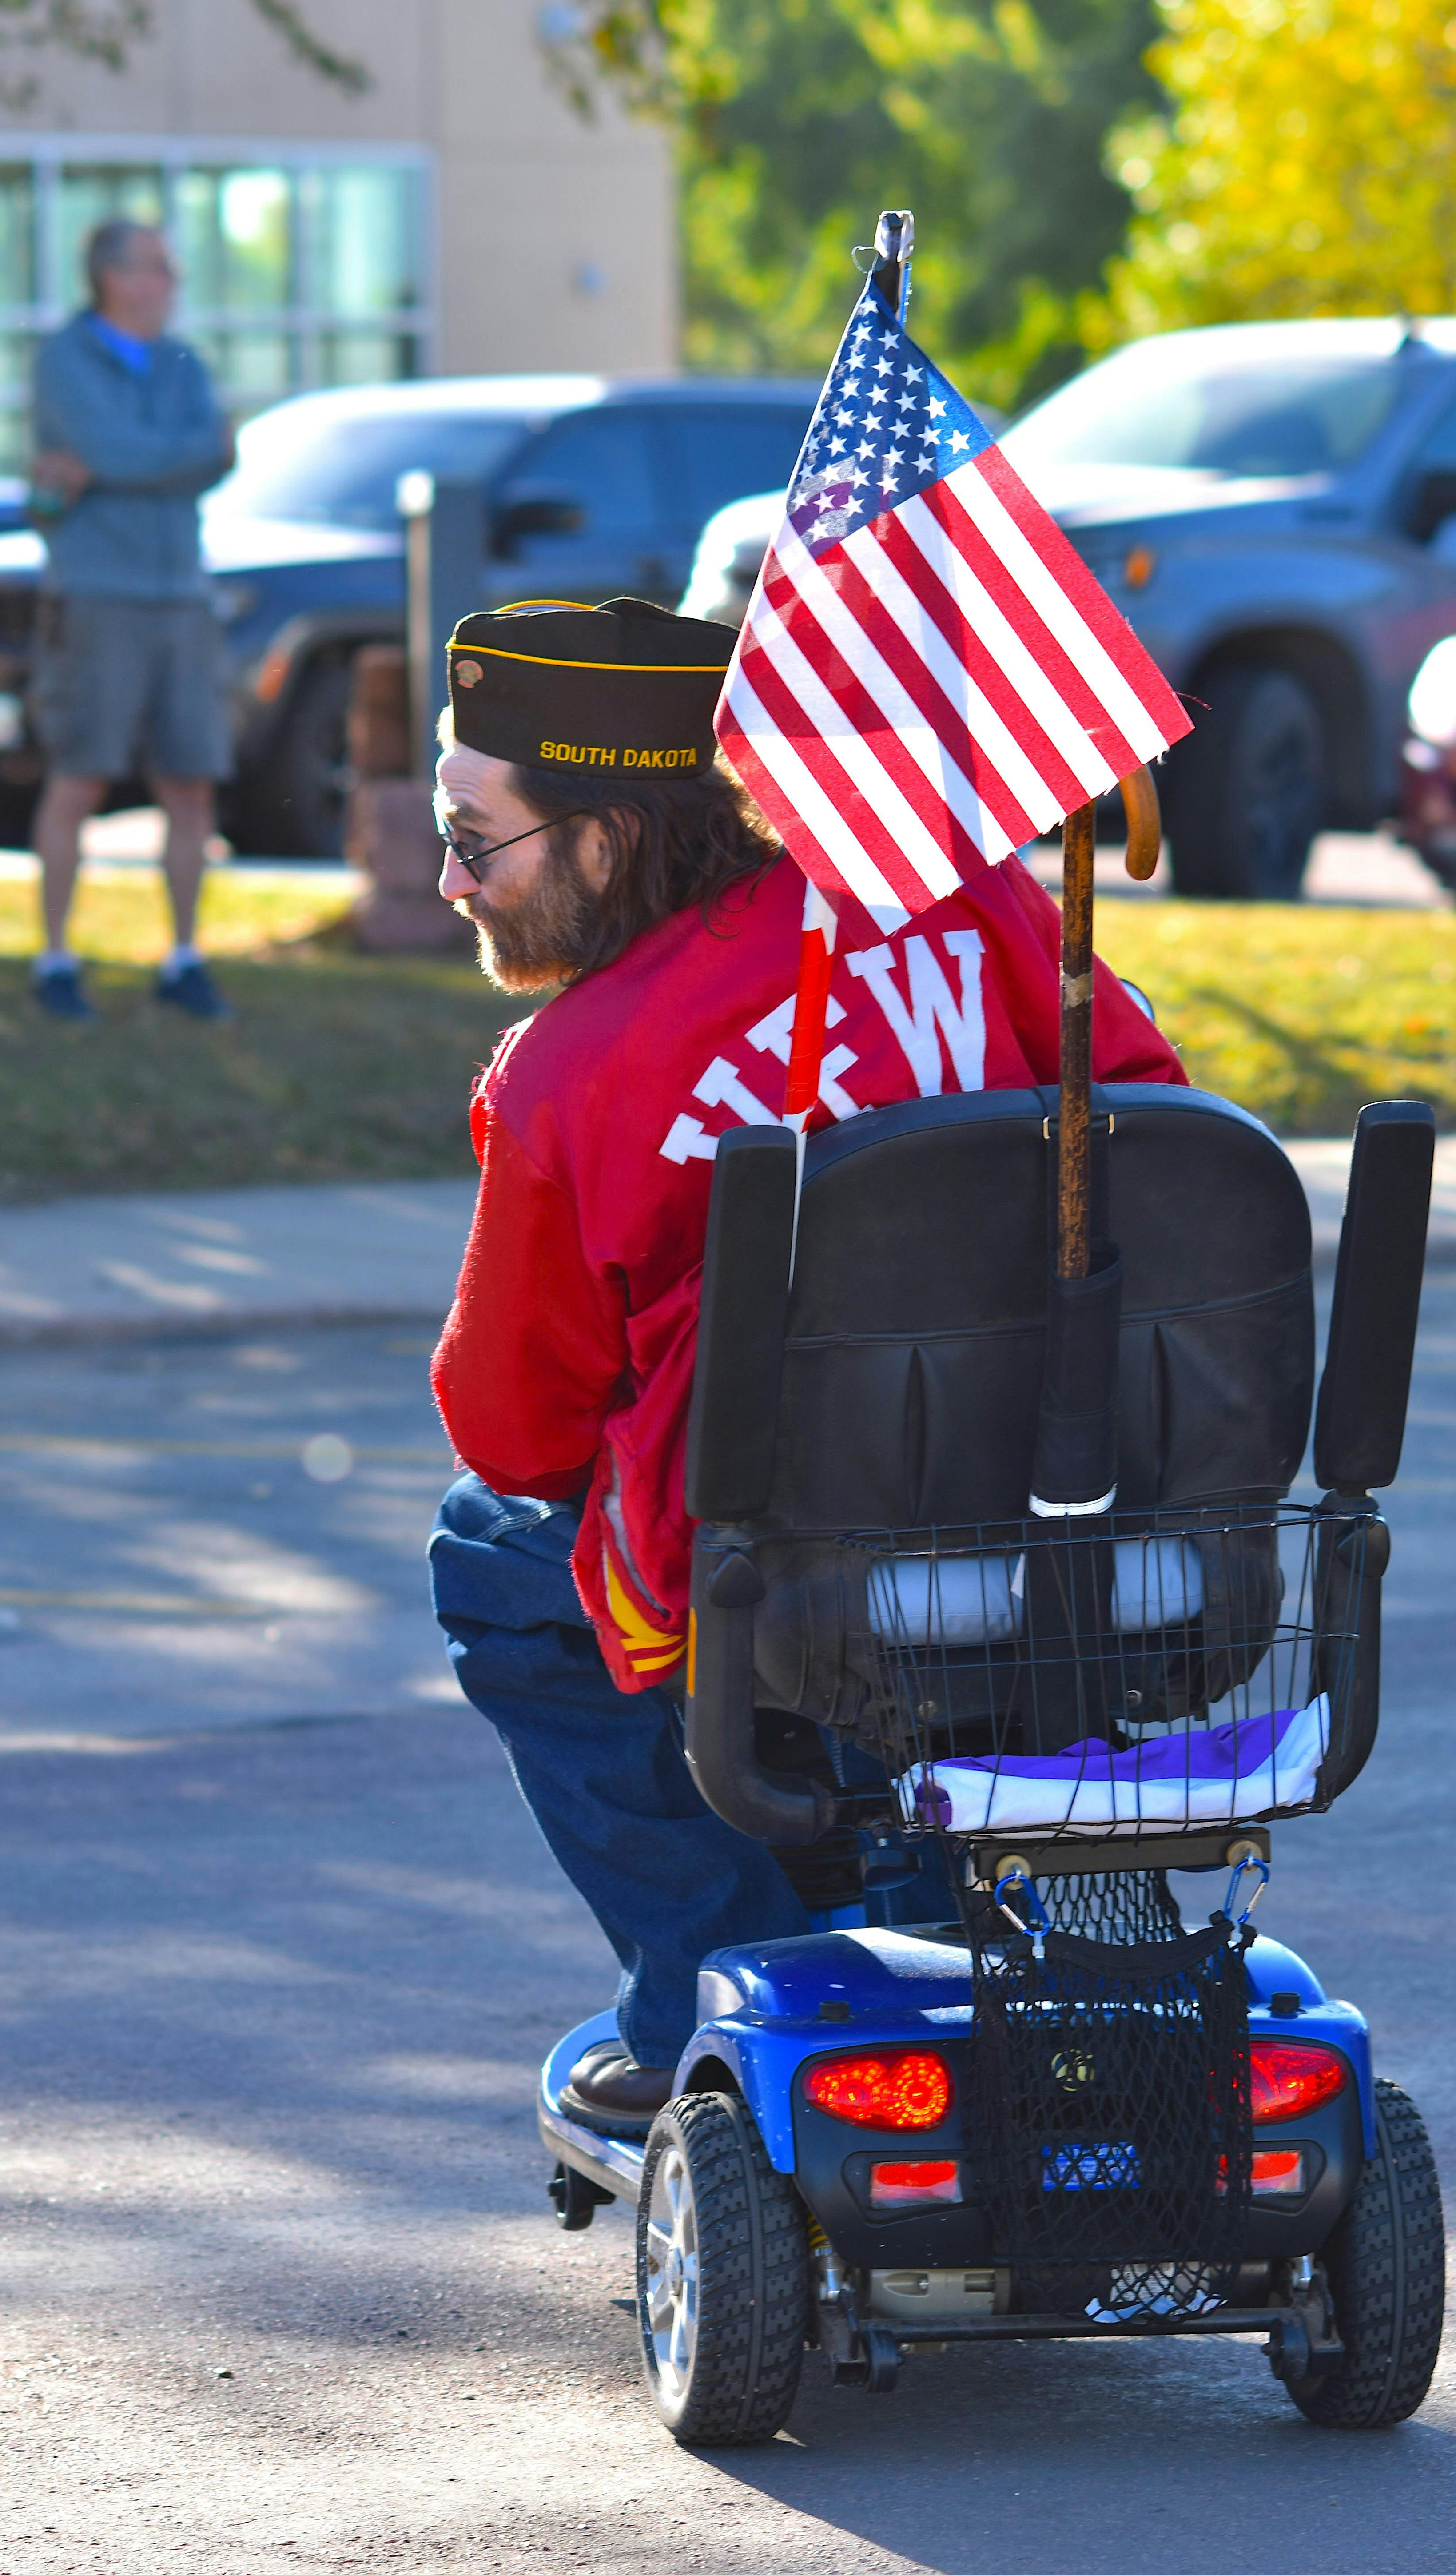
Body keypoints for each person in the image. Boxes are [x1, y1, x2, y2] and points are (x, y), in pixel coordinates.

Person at [426, 595, 1188, 2132]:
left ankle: (719, 1979)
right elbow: (1161, 1128)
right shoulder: (970, 909)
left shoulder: (569, 1072)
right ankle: (939, 1920)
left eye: (476, 840)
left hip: (784, 1557)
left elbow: (514, 1432)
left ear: (603, 841)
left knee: (493, 1551)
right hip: (1068, 1500)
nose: (449, 882)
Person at [26, 219, 236, 1023]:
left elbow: (217, 452)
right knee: (78, 777)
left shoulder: (186, 361)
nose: (173, 278)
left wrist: (131, 463)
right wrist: (171, 456)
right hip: (96, 595)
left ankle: (184, 960)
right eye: (159, 266)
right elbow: (121, 449)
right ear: (115, 277)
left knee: (190, 785)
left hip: (182, 594)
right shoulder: (63, 360)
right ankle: (55, 962)